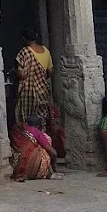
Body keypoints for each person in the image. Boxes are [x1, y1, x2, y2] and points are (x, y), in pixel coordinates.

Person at [14, 29, 65, 157]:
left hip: (28, 92)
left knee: (25, 120)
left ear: (24, 39)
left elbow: (22, 73)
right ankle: (44, 147)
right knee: (41, 120)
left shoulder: (24, 52)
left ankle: (29, 151)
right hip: (42, 90)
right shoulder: (46, 51)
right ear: (36, 37)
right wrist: (40, 77)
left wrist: (18, 73)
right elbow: (50, 71)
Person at [10, 113, 61, 182]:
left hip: (17, 167)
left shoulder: (19, 131)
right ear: (37, 126)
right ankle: (46, 173)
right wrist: (54, 166)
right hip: (33, 168)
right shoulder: (36, 132)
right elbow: (53, 152)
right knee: (45, 145)